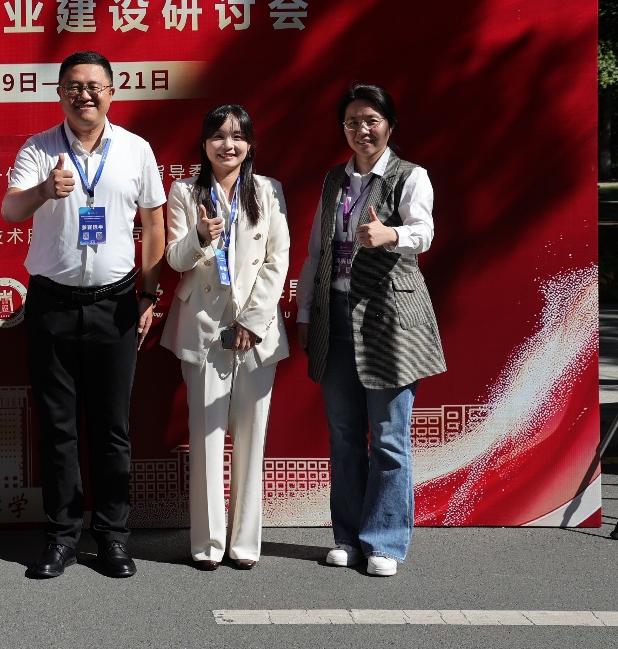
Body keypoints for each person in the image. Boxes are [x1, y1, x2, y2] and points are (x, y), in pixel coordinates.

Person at [1, 50, 165, 579]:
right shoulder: (38, 148)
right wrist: (45, 189)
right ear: (60, 94)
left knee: (112, 429)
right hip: (51, 304)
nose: (84, 95)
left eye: (94, 86)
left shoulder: (136, 149)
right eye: (73, 86)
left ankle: (113, 537)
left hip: (115, 305)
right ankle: (62, 537)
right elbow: (10, 210)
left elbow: (154, 224)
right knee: (58, 429)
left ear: (111, 92)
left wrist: (149, 294)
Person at [296, 83, 446, 578]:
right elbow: (317, 250)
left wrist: (390, 234)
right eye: (352, 122)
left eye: (371, 120)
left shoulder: (410, 176)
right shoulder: (333, 180)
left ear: (390, 125)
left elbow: (424, 233)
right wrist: (305, 313)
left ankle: (385, 541)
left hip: (388, 318)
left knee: (388, 436)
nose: (362, 130)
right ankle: (347, 537)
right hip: (337, 314)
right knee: (343, 435)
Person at [160, 104, 289, 571]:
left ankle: (245, 544)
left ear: (249, 145)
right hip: (205, 327)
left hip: (255, 330)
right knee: (206, 437)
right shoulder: (184, 191)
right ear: (204, 143)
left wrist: (252, 322)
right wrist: (198, 236)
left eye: (237, 137)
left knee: (252, 439)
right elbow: (174, 260)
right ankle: (208, 544)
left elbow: (278, 259)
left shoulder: (268, 191)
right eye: (218, 136)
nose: (227, 145)